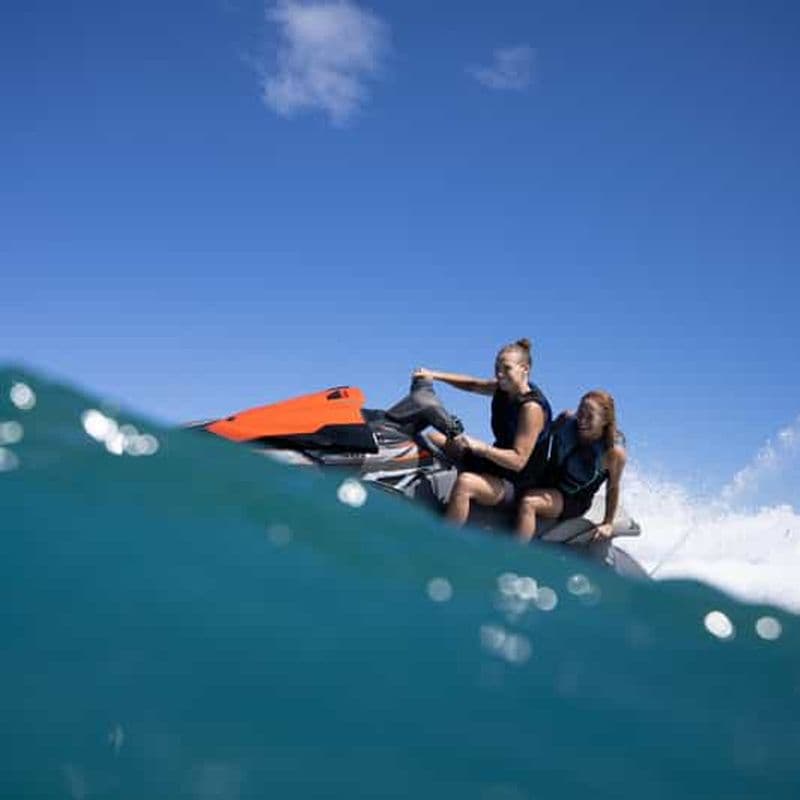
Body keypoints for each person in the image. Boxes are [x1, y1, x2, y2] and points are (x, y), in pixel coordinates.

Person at [413, 338, 552, 539]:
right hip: (493, 464)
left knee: (466, 483)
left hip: (517, 483)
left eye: (506, 368)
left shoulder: (532, 408)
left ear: (525, 369)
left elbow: (518, 461)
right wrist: (433, 375)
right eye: (497, 368)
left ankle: (442, 543)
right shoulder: (502, 389)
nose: (499, 374)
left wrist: (482, 448)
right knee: (434, 438)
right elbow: (472, 384)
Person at [516, 389, 627, 542]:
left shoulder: (613, 452)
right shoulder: (566, 420)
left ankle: (516, 557)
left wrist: (608, 523)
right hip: (547, 479)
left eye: (590, 417)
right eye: (581, 412)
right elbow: (540, 438)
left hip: (573, 498)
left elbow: (613, 487)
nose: (582, 420)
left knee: (529, 502)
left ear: (604, 421)